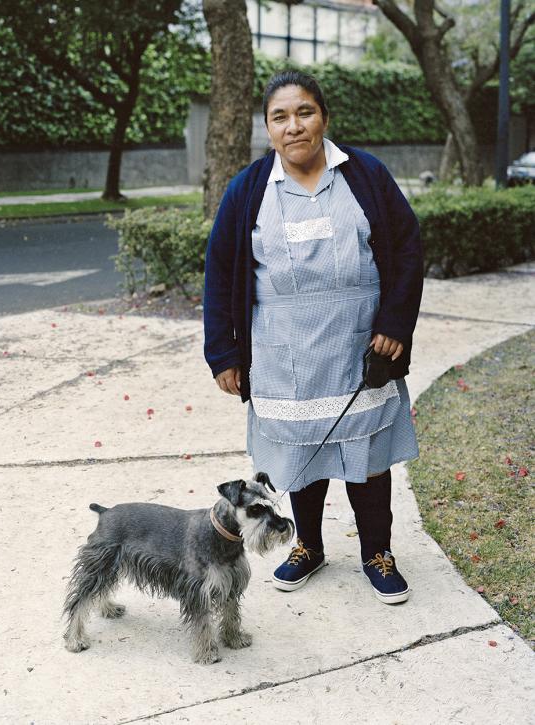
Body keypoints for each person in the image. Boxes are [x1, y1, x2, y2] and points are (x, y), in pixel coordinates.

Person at [203, 70, 423, 604]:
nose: (294, 126)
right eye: (280, 117)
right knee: (299, 455)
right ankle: (309, 547)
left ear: (323, 117)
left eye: (304, 113)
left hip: (359, 345)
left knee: (366, 455)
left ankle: (377, 551)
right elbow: (220, 274)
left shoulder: (365, 174)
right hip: (282, 351)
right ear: (268, 128)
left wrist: (395, 322)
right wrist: (223, 353)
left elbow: (407, 246)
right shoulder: (249, 189)